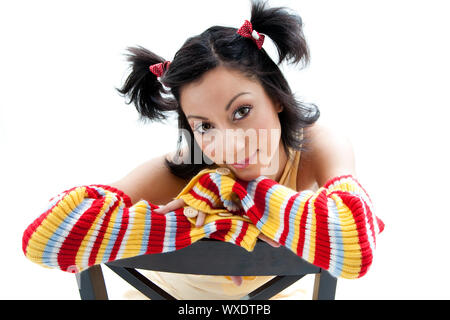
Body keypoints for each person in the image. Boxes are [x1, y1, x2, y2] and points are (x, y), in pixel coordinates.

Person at [110, 0, 357, 299]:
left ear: (276, 97)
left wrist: (256, 201)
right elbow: (67, 222)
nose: (230, 145)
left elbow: (353, 237)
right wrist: (215, 218)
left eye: (242, 111)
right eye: (205, 126)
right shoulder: (187, 167)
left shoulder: (315, 145)